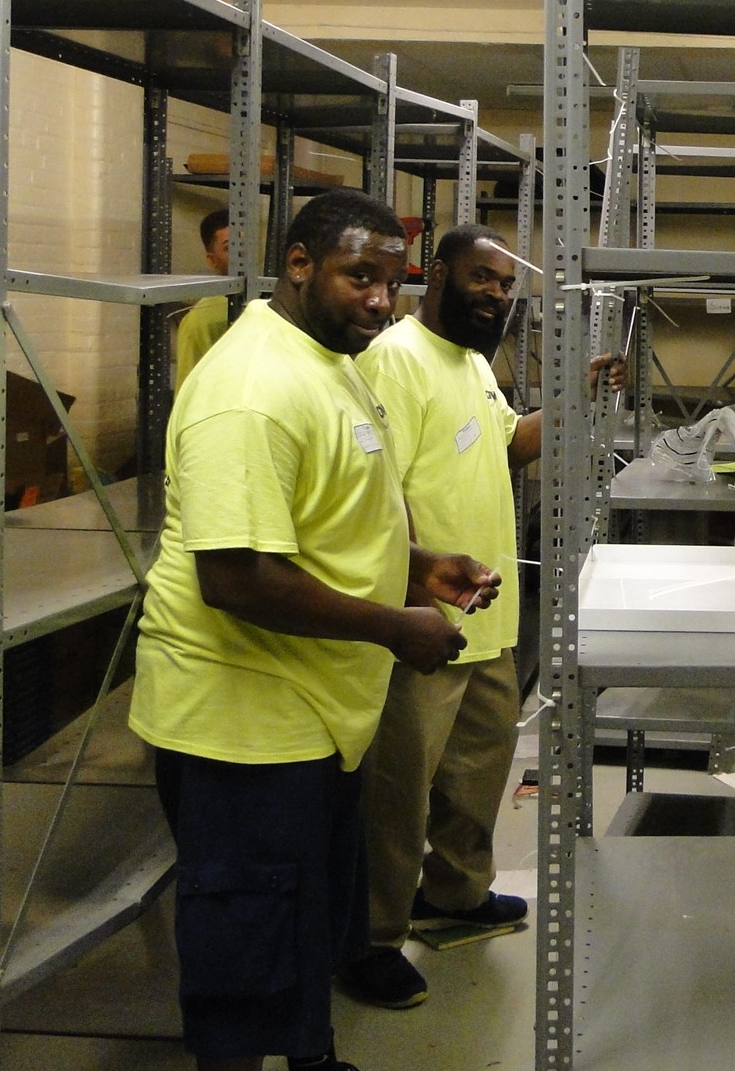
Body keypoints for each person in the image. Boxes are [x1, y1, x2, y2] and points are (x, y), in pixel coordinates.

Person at [130, 188, 502, 1071]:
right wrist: (395, 628)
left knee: (302, 923)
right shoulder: (252, 392)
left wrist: (419, 566)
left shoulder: (327, 356)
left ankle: (312, 1056)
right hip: (242, 725)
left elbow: (325, 516)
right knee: (246, 940)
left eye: (393, 282)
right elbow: (235, 576)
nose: (381, 300)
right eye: (359, 276)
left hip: (312, 717)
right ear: (298, 265)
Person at [340, 226, 623, 1009]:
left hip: (488, 621)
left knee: (475, 778)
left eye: (505, 284)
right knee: (399, 794)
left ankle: (456, 894)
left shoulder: (471, 361)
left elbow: (507, 447)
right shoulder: (393, 359)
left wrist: (577, 399)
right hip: (420, 619)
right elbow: (373, 494)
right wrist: (407, 596)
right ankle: (371, 939)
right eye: (482, 278)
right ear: (438, 275)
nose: (496, 293)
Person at [175, 206, 232, 385]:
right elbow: (186, 388)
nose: (242, 253)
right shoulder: (198, 321)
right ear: (212, 259)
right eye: (230, 247)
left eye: (246, 244)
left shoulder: (266, 303)